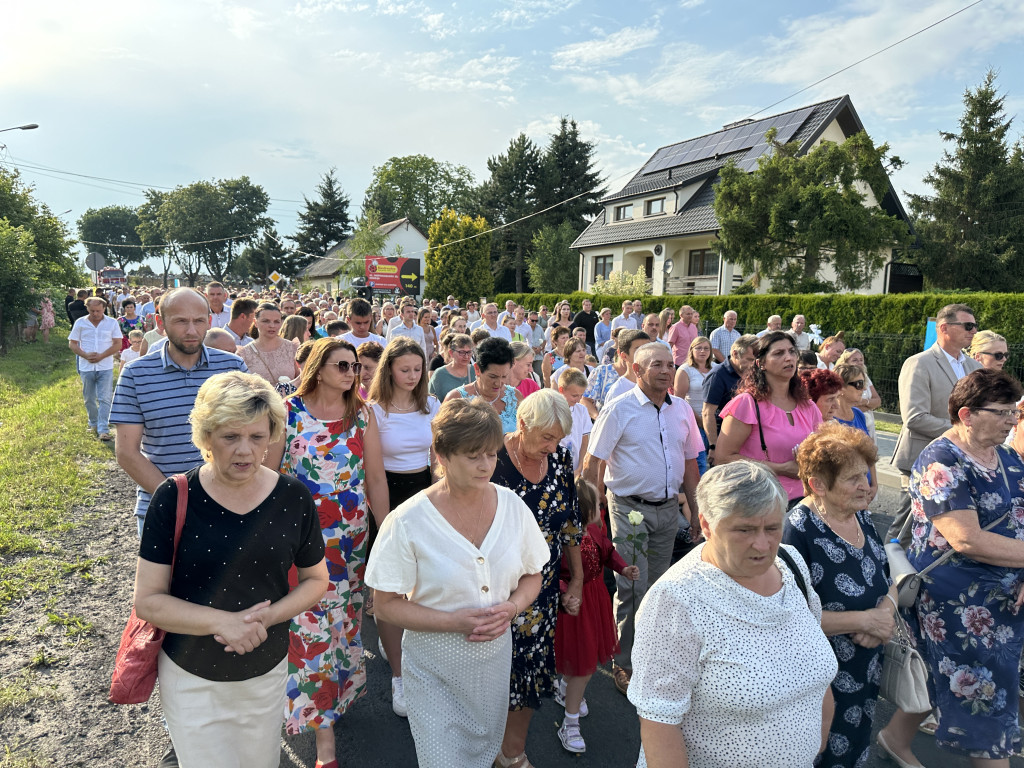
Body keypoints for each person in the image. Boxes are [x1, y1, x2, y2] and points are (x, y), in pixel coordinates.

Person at [134, 372, 329, 768]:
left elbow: (316, 580)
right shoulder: (173, 497)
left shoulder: (293, 496)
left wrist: (266, 617)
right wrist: (223, 623)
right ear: (206, 436)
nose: (245, 451)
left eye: (257, 438)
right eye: (229, 437)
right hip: (191, 676)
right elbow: (148, 601)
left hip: (265, 670)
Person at [364, 399, 548, 768]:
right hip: (433, 672)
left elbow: (533, 573)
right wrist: (456, 622)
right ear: (442, 455)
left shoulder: (512, 507)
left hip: (492, 668)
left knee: (482, 755)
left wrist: (512, 607)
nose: (486, 465)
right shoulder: (407, 521)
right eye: (473, 456)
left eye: (491, 455)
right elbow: (385, 605)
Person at [629, 461, 837, 768]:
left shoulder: (789, 563)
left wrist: (814, 745)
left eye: (772, 528)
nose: (763, 544)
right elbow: (660, 721)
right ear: (706, 523)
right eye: (745, 529)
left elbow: (815, 658)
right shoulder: (676, 599)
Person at [878, 369, 1024, 768]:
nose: (1012, 421)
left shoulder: (1008, 456)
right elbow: (966, 539)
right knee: (982, 693)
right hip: (957, 603)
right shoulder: (941, 459)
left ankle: (894, 737)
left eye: (1016, 413)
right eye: (1003, 413)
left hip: (1004, 599)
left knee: (946, 676)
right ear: (967, 414)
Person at [263, 338, 389, 768]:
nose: (353, 373)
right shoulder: (287, 412)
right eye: (343, 365)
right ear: (318, 368)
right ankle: (323, 736)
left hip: (350, 541)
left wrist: (385, 538)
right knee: (309, 630)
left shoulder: (362, 415)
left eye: (355, 366)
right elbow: (266, 477)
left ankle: (334, 699)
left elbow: (374, 480)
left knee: (344, 625)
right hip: (301, 541)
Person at [582, 343, 703, 695]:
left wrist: (696, 510)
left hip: (668, 510)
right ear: (637, 370)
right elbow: (593, 463)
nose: (666, 371)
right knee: (633, 586)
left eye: (670, 364)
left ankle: (650, 654)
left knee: (658, 588)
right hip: (630, 509)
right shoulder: (618, 409)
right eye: (656, 365)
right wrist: (590, 517)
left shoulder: (680, 409)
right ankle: (625, 663)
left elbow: (691, 464)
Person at [784, 422, 895, 768]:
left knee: (853, 753)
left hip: (864, 672)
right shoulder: (797, 530)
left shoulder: (859, 516)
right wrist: (864, 620)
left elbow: (888, 578)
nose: (867, 486)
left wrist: (885, 613)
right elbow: (787, 616)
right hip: (818, 681)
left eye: (866, 475)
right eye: (853, 479)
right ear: (817, 485)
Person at [491, 389, 583, 768]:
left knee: (528, 672)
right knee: (489, 674)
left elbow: (571, 524)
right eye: (546, 436)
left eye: (558, 438)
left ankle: (511, 753)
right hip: (494, 585)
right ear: (523, 423)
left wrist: (575, 579)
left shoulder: (560, 459)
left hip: (541, 592)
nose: (552, 445)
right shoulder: (491, 458)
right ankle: (477, 748)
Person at [112, 286, 248, 537]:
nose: (191, 331)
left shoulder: (233, 366)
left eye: (198, 321)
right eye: (181, 321)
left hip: (228, 505)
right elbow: (126, 452)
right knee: (162, 579)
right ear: (160, 322)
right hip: (162, 506)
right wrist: (177, 498)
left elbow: (249, 434)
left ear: (209, 321)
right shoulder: (135, 374)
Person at [366, 337, 440, 718]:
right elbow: (374, 475)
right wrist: (384, 525)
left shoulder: (432, 405)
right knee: (390, 587)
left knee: (420, 584)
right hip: (387, 495)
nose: (412, 376)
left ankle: (406, 649)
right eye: (404, 369)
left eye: (417, 369)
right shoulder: (373, 411)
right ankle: (398, 675)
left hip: (424, 492)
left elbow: (436, 459)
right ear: (389, 370)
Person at [553, 477, 639, 754]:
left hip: (596, 598)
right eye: (597, 501)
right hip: (576, 605)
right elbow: (553, 574)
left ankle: (567, 689)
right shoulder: (563, 540)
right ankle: (570, 722)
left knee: (584, 660)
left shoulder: (594, 529)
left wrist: (623, 569)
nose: (602, 502)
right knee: (584, 663)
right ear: (583, 508)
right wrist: (566, 592)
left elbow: (608, 553)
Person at [889, 303, 981, 546]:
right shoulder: (919, 363)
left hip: (963, 461)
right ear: (944, 328)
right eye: (968, 325)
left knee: (945, 531)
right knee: (907, 529)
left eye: (975, 326)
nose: (973, 331)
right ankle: (889, 574)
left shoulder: (975, 368)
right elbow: (915, 417)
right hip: (922, 458)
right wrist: (963, 431)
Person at [716, 331, 823, 505]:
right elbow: (723, 458)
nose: (788, 358)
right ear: (761, 363)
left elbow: (823, 448)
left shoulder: (808, 406)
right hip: (760, 502)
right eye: (779, 353)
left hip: (806, 501)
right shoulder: (747, 404)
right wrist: (781, 469)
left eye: (791, 352)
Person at [69, 296, 122, 441]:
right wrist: (85, 355)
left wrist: (103, 355)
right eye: (92, 310)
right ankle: (93, 422)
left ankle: (103, 429)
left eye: (98, 311)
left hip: (105, 366)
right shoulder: (80, 323)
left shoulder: (111, 323)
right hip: (86, 367)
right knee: (89, 398)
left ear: (104, 308)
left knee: (105, 398)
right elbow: (72, 344)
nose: (95, 314)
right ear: (87, 308)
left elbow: (118, 343)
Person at [444, 337, 523, 434]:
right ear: (477, 369)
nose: (498, 383)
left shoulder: (515, 397)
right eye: (493, 376)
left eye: (504, 376)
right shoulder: (456, 398)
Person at [701, 334, 757, 466]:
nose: (753, 364)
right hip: (724, 438)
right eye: (749, 359)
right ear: (735, 353)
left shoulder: (754, 373)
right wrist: (713, 446)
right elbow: (707, 413)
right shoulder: (717, 376)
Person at [674, 336, 718, 475]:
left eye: (706, 348)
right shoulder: (685, 370)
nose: (702, 351)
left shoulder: (717, 369)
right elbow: (679, 400)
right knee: (699, 462)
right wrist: (699, 420)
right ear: (691, 350)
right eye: (698, 348)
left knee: (716, 461)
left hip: (715, 422)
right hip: (694, 421)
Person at [237, 303, 300, 393]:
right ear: (255, 323)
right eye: (266, 321)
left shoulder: (292, 348)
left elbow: (302, 379)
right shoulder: (244, 354)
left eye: (276, 322)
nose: (272, 325)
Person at [835, 347, 882, 438]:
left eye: (861, 359)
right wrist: (868, 404)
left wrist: (864, 402)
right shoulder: (828, 420)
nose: (864, 388)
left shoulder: (858, 414)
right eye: (859, 384)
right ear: (841, 387)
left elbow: (878, 401)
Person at [556, 367, 591, 475]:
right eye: (574, 395)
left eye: (581, 395)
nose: (579, 399)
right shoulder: (552, 409)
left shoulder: (582, 410)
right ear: (561, 390)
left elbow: (585, 441)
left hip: (576, 469)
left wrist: (580, 468)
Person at [602, 329, 652, 403]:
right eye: (638, 350)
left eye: (647, 348)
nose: (644, 353)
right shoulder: (617, 391)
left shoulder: (656, 384)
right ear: (624, 356)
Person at [428, 333, 477, 401]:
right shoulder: (439, 375)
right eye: (461, 352)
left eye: (469, 352)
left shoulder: (476, 371)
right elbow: (431, 402)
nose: (466, 356)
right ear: (451, 353)